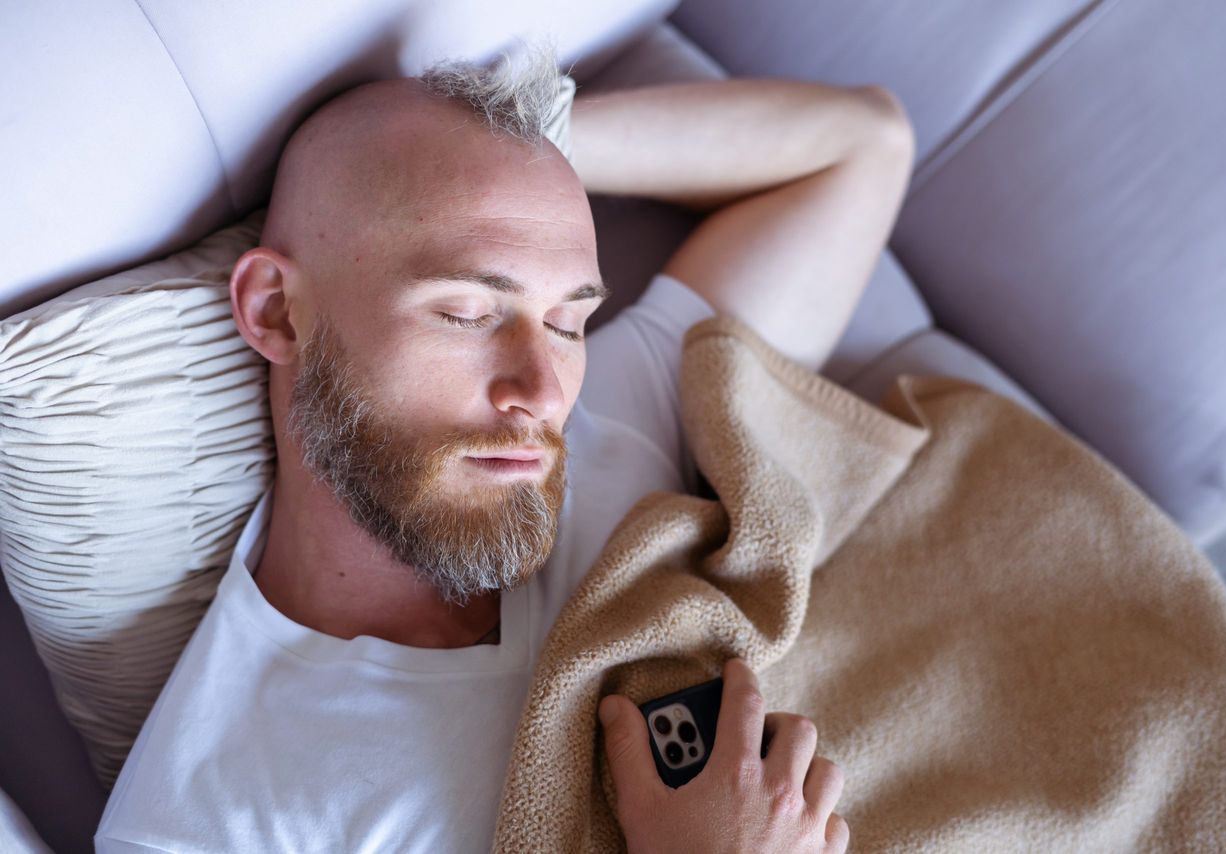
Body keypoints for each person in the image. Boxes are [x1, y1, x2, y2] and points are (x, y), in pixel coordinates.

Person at [95, 38, 914, 853]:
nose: (545, 393)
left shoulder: (604, 429)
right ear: (277, 311)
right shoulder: (204, 816)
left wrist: (529, 155)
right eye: (467, 313)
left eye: (568, 323)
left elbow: (863, 146)